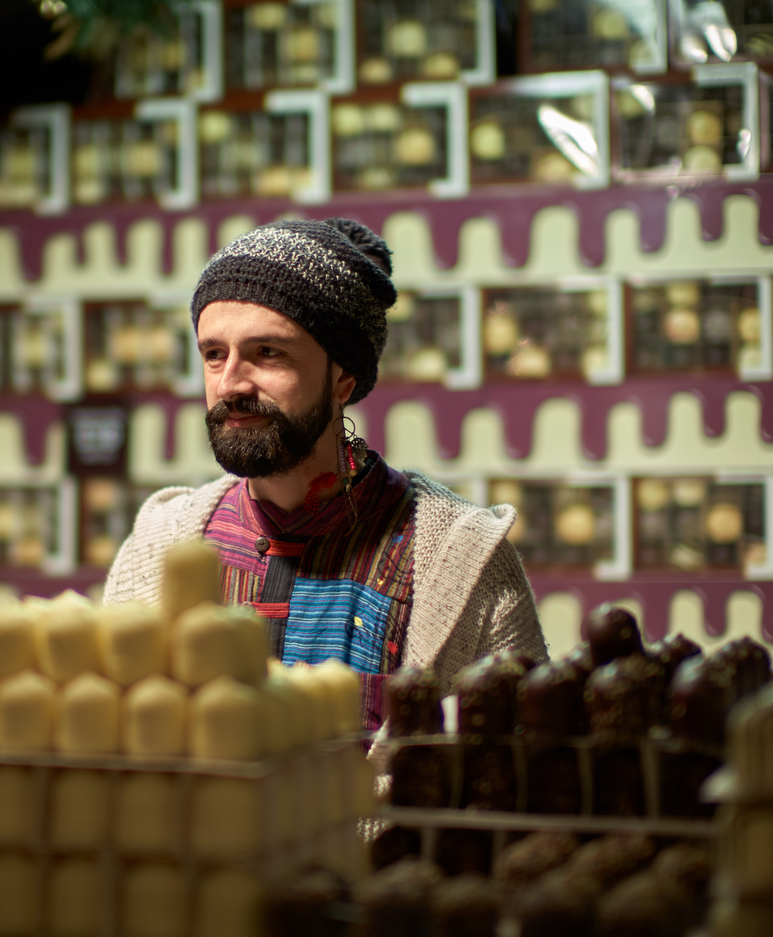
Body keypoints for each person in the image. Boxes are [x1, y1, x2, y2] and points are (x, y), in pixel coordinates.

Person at [103, 217, 546, 724]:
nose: (230, 384)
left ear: (343, 378)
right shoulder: (159, 545)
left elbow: (523, 771)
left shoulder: (460, 562)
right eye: (213, 354)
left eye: (267, 352)